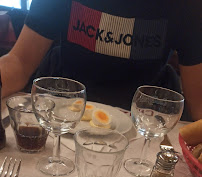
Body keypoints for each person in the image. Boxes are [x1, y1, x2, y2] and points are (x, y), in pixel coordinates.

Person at [0, 0, 201, 120]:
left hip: (144, 121)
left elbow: (198, 106)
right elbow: (19, 62)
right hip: (61, 112)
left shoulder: (188, 6)